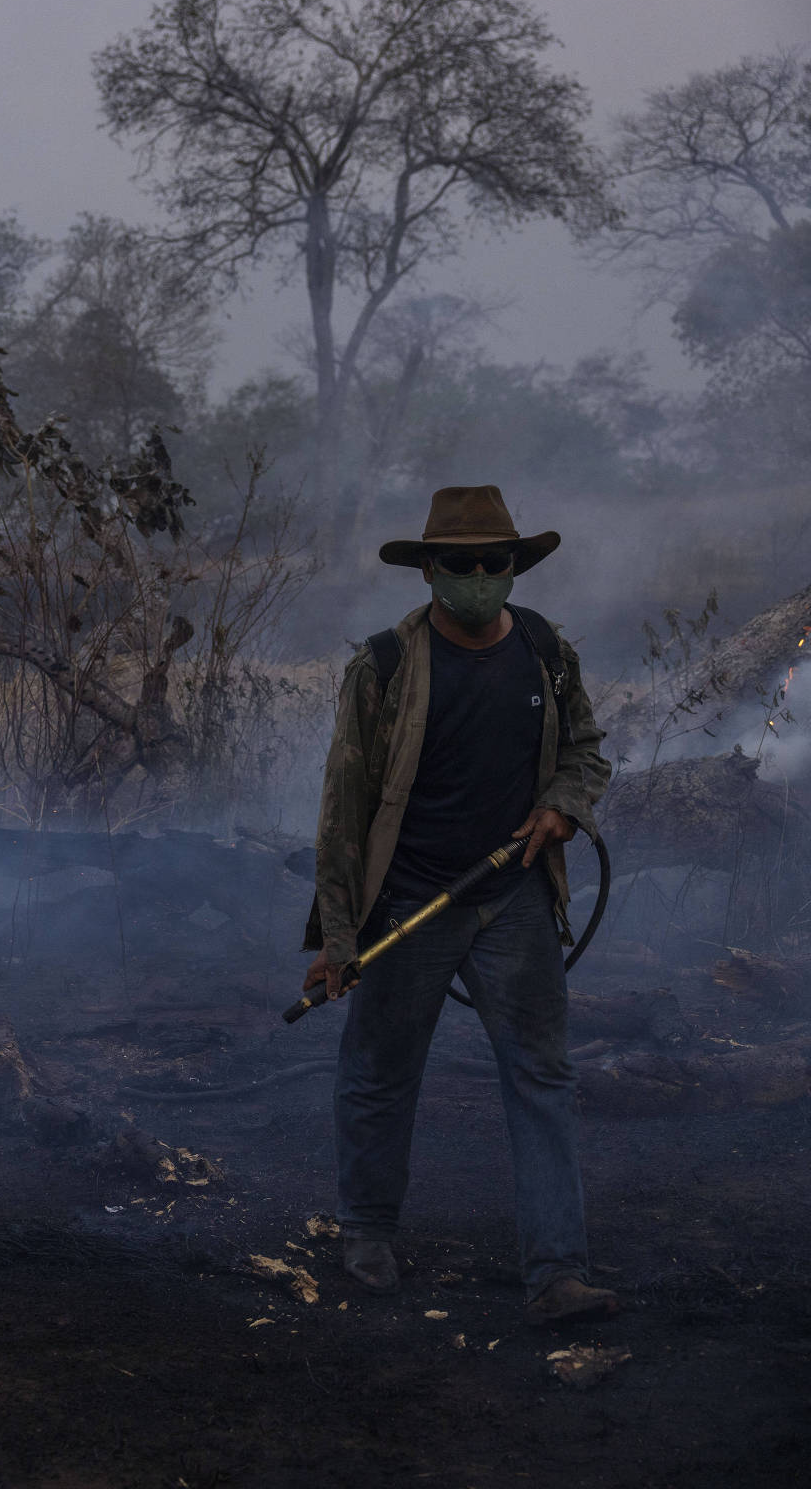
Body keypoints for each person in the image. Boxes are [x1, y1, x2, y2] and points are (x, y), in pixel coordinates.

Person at [304, 484, 617, 1325]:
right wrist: (339, 936)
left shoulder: (547, 651)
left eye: (495, 563)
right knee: (378, 1075)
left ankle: (557, 1272)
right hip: (409, 902)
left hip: (513, 897)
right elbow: (342, 811)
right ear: (430, 572)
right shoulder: (384, 669)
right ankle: (367, 1233)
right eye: (462, 564)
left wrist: (561, 804)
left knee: (543, 1077)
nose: (480, 578)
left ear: (514, 567)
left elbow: (586, 750)